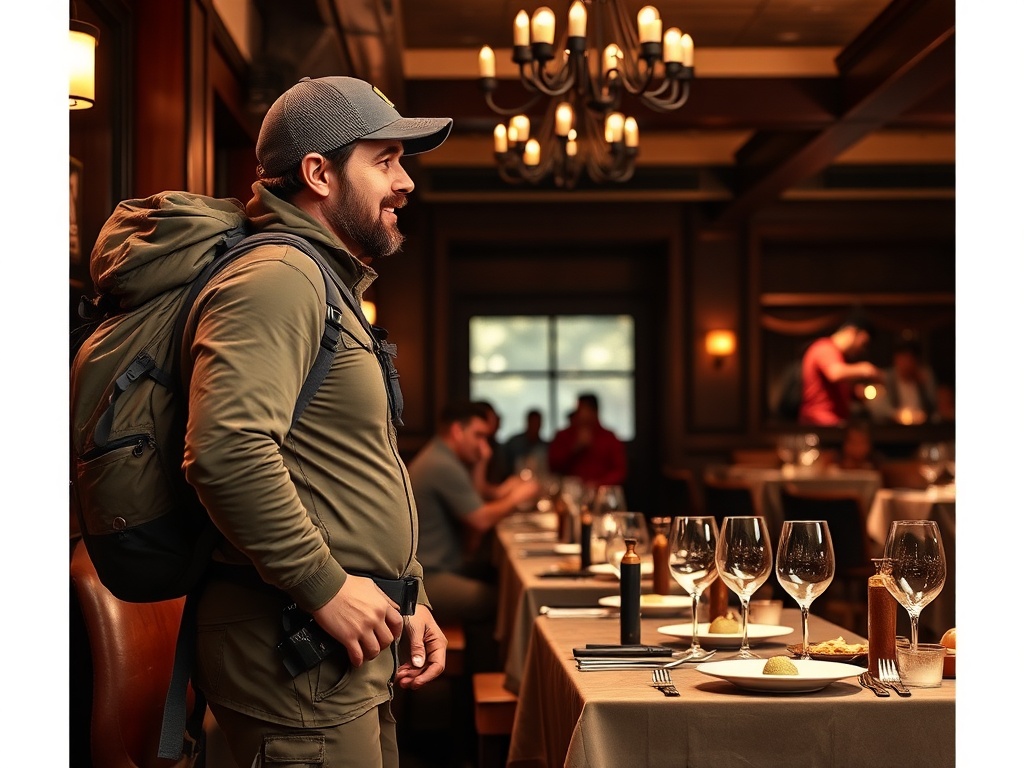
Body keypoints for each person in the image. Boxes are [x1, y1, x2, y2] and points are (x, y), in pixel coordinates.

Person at [178, 76, 453, 767]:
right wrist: (326, 585)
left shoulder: (322, 282)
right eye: (385, 160)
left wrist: (404, 593)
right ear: (319, 173)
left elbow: (342, 469)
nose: (405, 183)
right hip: (293, 655)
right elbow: (226, 451)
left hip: (340, 651)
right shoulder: (280, 277)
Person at [407, 400, 541, 671]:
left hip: (438, 566)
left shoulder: (443, 456)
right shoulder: (441, 463)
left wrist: (482, 457)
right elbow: (479, 520)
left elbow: (477, 497)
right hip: (426, 577)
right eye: (479, 435)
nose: (483, 443)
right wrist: (517, 497)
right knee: (502, 602)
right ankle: (483, 684)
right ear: (458, 431)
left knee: (499, 577)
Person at [798, 313, 883, 427]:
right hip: (819, 425)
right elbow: (835, 373)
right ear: (852, 332)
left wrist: (858, 394)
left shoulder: (839, 356)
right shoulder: (825, 347)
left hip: (831, 425)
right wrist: (865, 369)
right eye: (863, 343)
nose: (861, 350)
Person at [547, 393, 628, 487]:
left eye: (582, 409)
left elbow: (620, 471)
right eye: (578, 410)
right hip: (569, 493)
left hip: (601, 494)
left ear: (595, 411)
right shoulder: (564, 435)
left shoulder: (609, 437)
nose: (579, 414)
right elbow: (553, 466)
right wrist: (575, 449)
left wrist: (599, 484)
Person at [865, 335, 938, 425]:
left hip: (924, 429)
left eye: (909, 358)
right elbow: (875, 407)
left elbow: (935, 406)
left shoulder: (925, 376)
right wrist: (896, 414)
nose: (904, 363)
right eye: (901, 358)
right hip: (895, 431)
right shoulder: (887, 378)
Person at [504, 408, 549, 475]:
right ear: (527, 422)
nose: (535, 426)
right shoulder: (514, 443)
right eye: (533, 422)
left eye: (537, 423)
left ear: (541, 424)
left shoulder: (544, 447)